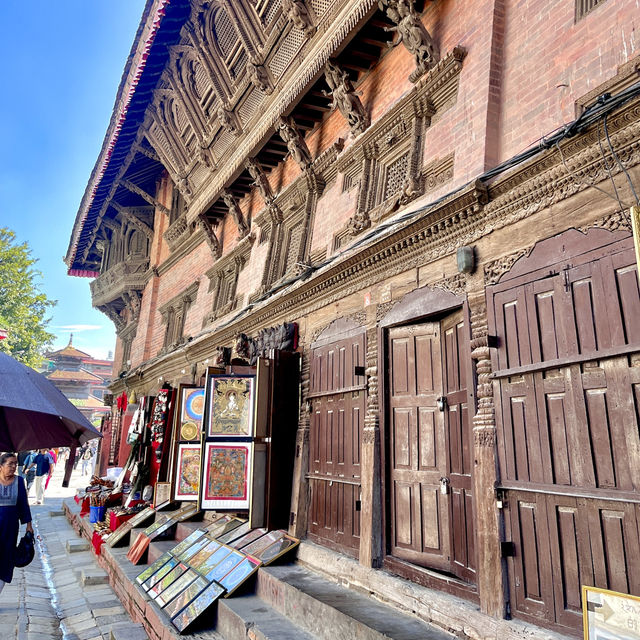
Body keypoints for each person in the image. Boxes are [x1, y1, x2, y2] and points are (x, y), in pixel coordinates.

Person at [0, 452, 33, 595]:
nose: (14, 467)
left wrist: (29, 526)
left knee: (7, 559)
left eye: (15, 463)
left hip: (10, 528)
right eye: (10, 464)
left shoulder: (19, 481)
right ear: (1, 466)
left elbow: (23, 505)